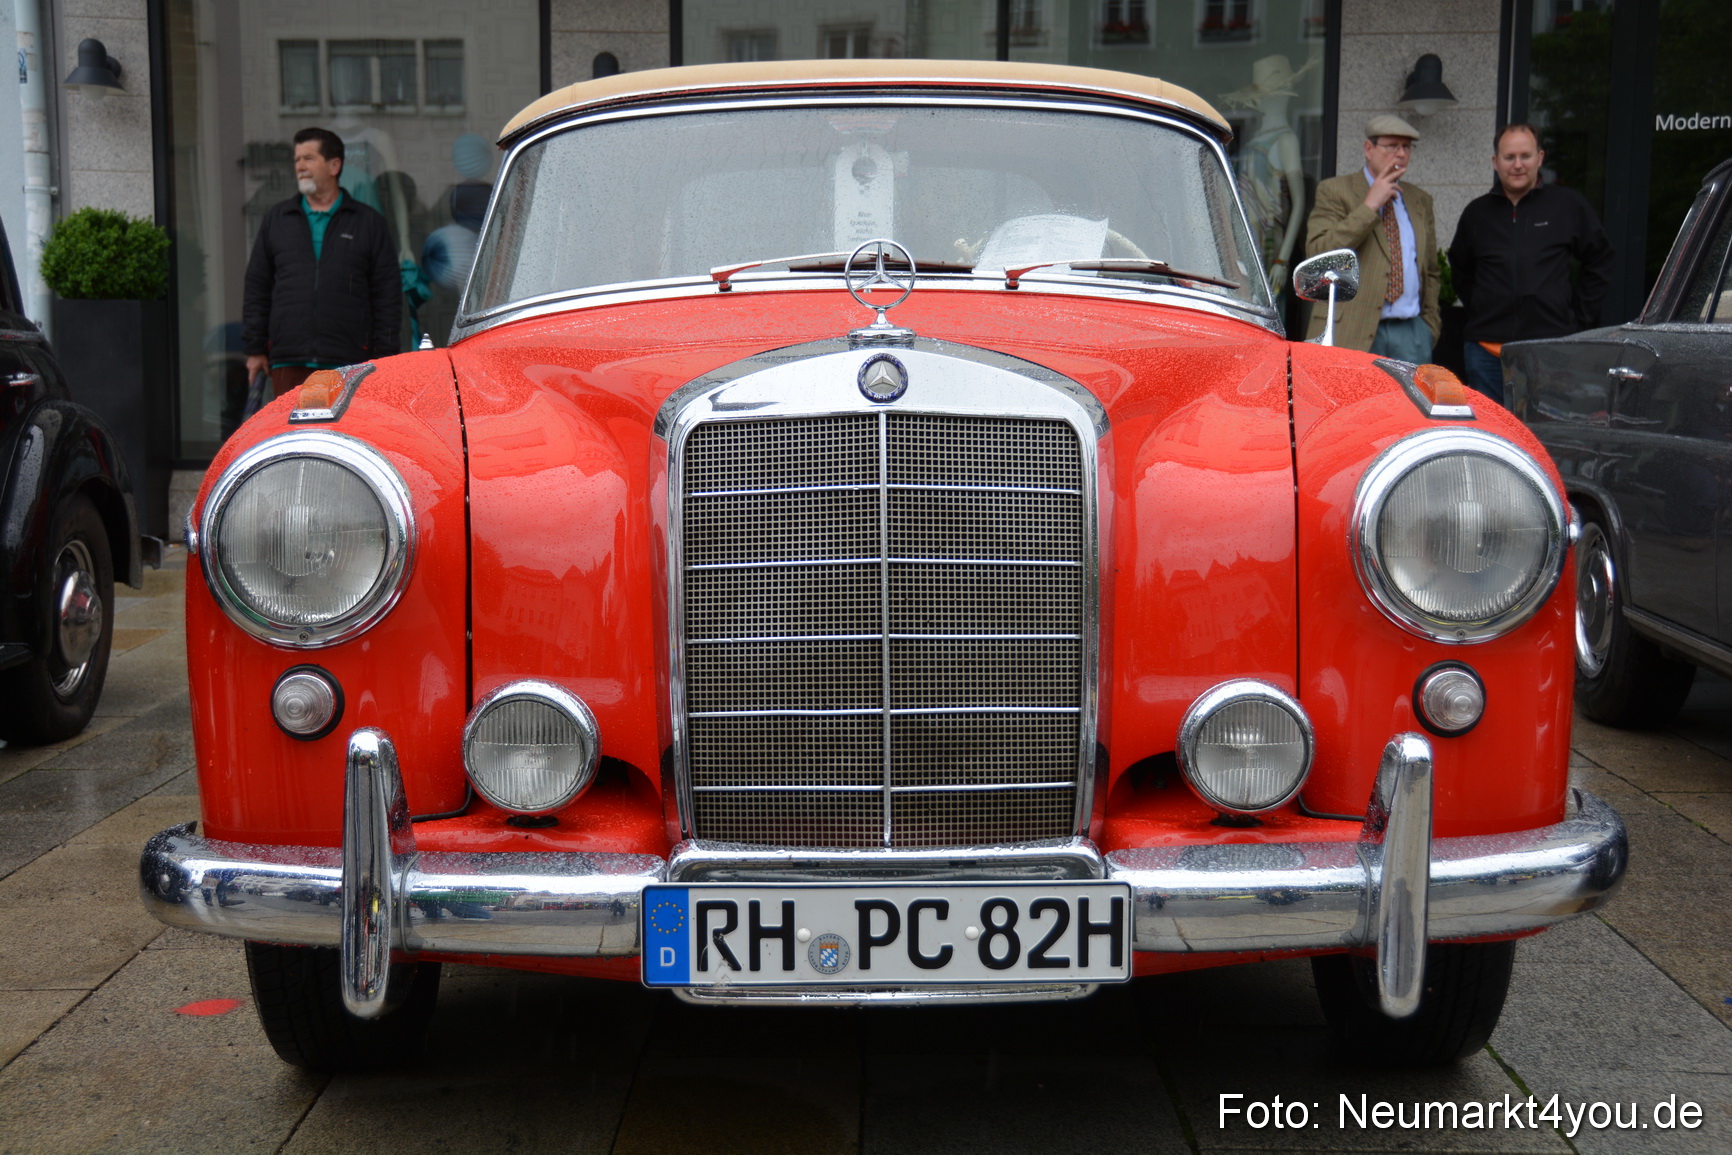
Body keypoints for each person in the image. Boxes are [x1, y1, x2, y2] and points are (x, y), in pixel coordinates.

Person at [1450, 124, 1614, 405]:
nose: (1517, 165)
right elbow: (1460, 269)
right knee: (1490, 429)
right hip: (1486, 353)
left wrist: (1577, 320)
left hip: (1551, 352)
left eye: (1525, 156)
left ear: (1540, 158)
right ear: (1495, 162)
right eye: (1509, 157)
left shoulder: (1567, 205)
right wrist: (1482, 307)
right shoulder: (1477, 213)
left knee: (1546, 429)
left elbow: (1601, 259)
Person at [243, 127, 401, 398]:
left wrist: (384, 357)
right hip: (289, 359)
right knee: (290, 428)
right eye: (297, 160)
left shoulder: (368, 222)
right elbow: (257, 286)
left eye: (308, 158)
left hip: (349, 361)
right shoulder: (277, 219)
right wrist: (255, 348)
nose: (300, 167)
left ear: (334, 166)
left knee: (344, 428)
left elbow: (387, 294)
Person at [1303, 115, 1440, 361]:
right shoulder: (1335, 190)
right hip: (1350, 329)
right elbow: (1319, 253)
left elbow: (1430, 271)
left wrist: (1429, 326)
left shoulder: (1420, 200)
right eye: (1392, 146)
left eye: (1406, 147)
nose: (1401, 154)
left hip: (1411, 333)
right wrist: (1370, 206)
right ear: (1369, 149)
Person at [1221, 54, 1316, 300]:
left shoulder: (1286, 140)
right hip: (1246, 235)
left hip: (1270, 237)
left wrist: (1282, 259)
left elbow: (1298, 203)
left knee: (1267, 304)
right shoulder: (1255, 139)